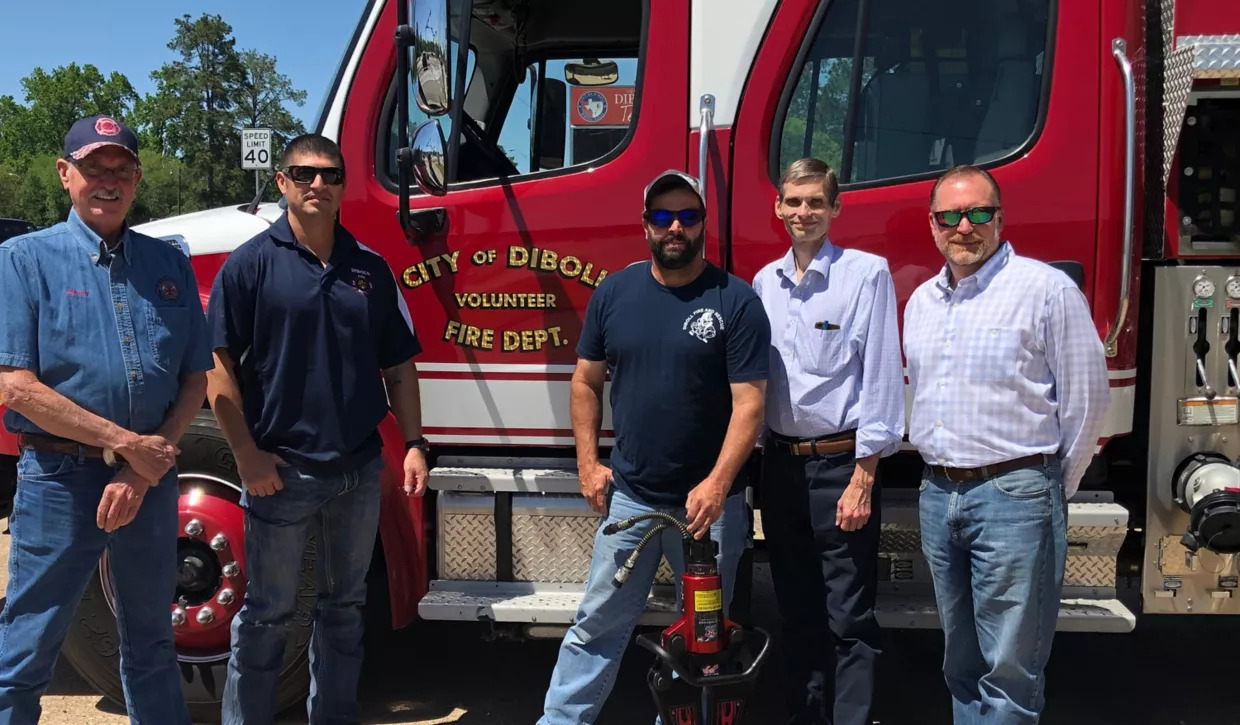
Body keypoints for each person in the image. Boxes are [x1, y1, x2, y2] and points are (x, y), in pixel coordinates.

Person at [206, 133, 429, 724]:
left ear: (343, 187)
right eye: (303, 174)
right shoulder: (249, 264)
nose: (317, 185)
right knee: (267, 614)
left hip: (356, 471)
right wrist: (247, 457)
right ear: (281, 183)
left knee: (343, 610)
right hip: (280, 472)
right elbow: (216, 367)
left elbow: (399, 366)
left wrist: (412, 444)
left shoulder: (371, 269)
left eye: (330, 175)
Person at [539, 170, 770, 725]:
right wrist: (588, 464)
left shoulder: (735, 301)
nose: (675, 227)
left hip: (707, 512)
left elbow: (750, 406)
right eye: (663, 216)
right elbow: (584, 382)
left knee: (704, 642)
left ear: (703, 226)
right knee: (596, 625)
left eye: (688, 217)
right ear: (644, 226)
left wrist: (717, 485)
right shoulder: (614, 293)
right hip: (632, 502)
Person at [0, 114, 207, 724]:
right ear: (67, 175)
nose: (108, 181)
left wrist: (145, 467)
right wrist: (124, 444)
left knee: (152, 642)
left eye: (122, 169)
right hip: (60, 480)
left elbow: (195, 378)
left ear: (138, 179)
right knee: (29, 643)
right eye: (94, 168)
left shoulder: (167, 264)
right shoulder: (22, 260)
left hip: (149, 483)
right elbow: (14, 385)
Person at [903, 165, 1109, 724]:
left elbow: (1087, 402)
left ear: (1000, 218)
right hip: (938, 492)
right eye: (950, 215)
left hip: (1015, 495)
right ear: (932, 224)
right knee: (961, 660)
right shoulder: (921, 302)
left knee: (1011, 669)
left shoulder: (1045, 290)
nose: (964, 226)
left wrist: (1043, 487)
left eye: (978, 213)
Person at [752, 158, 904, 725]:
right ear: (778, 208)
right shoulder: (765, 283)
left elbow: (883, 378)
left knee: (850, 619)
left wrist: (864, 477)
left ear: (836, 209)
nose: (803, 213)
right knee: (797, 613)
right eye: (793, 202)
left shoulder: (866, 274)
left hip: (842, 469)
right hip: (782, 468)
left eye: (815, 202)